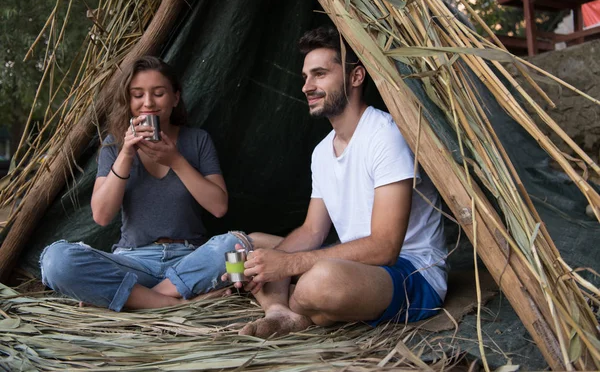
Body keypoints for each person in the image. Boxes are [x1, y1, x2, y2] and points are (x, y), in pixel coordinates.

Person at [231, 26, 448, 338]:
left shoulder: (385, 135)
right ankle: (280, 312)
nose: (307, 86)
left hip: (410, 273)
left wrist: (288, 266)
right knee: (253, 245)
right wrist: (266, 264)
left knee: (319, 281)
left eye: (319, 74)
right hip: (354, 263)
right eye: (305, 77)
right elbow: (312, 231)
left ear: (356, 77)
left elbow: (385, 248)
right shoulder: (322, 152)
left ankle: (297, 304)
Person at [39, 55, 275, 311]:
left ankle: (135, 299)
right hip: (133, 262)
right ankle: (177, 303)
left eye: (158, 93)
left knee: (235, 246)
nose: (148, 103)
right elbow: (102, 216)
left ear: (175, 97)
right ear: (128, 101)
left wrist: (175, 160)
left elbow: (219, 207)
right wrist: (127, 153)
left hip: (192, 259)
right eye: (137, 95)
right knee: (56, 261)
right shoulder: (114, 146)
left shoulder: (197, 141)